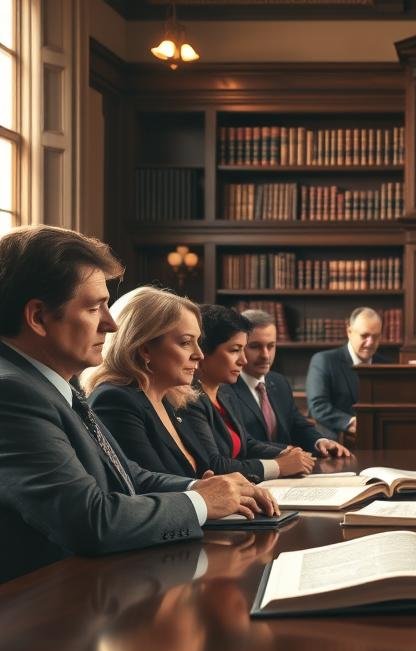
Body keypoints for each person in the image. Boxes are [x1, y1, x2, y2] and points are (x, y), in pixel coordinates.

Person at [0, 225, 277, 582]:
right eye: (94, 307)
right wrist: (202, 504)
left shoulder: (53, 383)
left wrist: (201, 489)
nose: (111, 323)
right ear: (38, 317)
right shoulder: (13, 394)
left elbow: (127, 475)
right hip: (45, 614)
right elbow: (90, 521)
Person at [82, 287, 210, 478]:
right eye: (185, 342)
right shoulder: (114, 400)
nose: (199, 354)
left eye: (198, 341)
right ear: (145, 349)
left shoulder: (170, 398)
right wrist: (202, 490)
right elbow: (146, 487)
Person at [184, 305, 315, 481]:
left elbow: (247, 442)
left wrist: (287, 452)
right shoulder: (190, 400)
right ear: (204, 352)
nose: (243, 360)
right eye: (235, 350)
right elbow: (215, 465)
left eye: (243, 349)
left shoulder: (224, 393)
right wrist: (279, 466)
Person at [230, 309, 350, 458]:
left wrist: (320, 441)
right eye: (255, 346)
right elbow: (244, 442)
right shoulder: (226, 388)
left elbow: (297, 425)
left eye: (271, 346)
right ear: (240, 347)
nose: (265, 355)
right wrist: (289, 452)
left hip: (287, 474)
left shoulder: (279, 382)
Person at [306, 306, 388, 441]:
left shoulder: (386, 366)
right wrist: (350, 422)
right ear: (349, 331)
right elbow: (318, 406)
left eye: (376, 336)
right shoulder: (324, 361)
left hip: (380, 441)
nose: (370, 343)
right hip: (336, 442)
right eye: (364, 336)